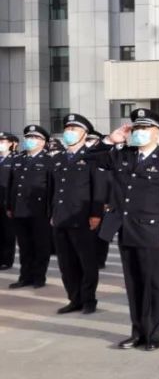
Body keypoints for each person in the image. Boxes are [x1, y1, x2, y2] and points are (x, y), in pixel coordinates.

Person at [91, 109, 159, 350]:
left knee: (153, 284)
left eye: (145, 128)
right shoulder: (123, 156)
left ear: (156, 132)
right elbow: (92, 157)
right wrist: (111, 140)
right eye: (136, 128)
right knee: (134, 284)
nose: (139, 133)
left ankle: (153, 335)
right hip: (126, 229)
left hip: (152, 232)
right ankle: (137, 332)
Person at [50, 113, 104, 314]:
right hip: (61, 217)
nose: (69, 132)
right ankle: (74, 299)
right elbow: (53, 190)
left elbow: (98, 189)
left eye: (74, 129)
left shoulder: (92, 158)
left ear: (84, 134)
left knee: (86, 262)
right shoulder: (58, 158)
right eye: (67, 129)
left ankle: (89, 300)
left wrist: (96, 214)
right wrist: (52, 213)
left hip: (83, 218)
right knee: (66, 263)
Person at [6, 125, 54, 289]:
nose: (30, 141)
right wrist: (9, 206)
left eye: (35, 138)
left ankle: (39, 277)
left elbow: (53, 188)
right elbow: (11, 185)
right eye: (28, 137)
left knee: (41, 245)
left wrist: (51, 211)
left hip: (40, 211)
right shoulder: (18, 159)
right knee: (24, 246)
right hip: (19, 209)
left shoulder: (49, 161)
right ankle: (25, 277)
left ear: (44, 142)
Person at [0, 132, 17, 271]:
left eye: (3, 141)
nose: (1, 144)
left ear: (11, 143)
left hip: (7, 201)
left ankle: (7, 260)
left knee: (8, 232)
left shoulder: (15, 160)